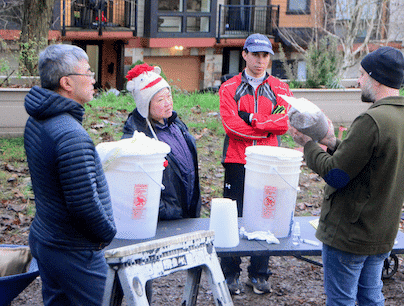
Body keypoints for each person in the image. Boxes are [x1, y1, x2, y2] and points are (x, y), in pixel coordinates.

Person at [290, 46, 404, 306]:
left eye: (362, 74)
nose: (358, 81)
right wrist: (331, 141)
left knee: (342, 301)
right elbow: (369, 163)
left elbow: (336, 174)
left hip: (350, 235)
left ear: (377, 78)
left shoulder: (372, 120)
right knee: (371, 298)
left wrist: (308, 144)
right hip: (380, 233)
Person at [24, 44, 117, 306]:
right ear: (66, 83)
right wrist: (106, 234)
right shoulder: (70, 135)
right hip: (74, 250)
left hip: (46, 239)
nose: (93, 80)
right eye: (87, 73)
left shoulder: (37, 119)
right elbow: (83, 205)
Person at [218, 33, 292, 295]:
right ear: (245, 54)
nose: (261, 61)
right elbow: (231, 126)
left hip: (270, 162)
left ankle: (259, 273)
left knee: (266, 214)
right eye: (256, 55)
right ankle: (230, 273)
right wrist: (266, 129)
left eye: (265, 56)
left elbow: (283, 123)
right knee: (233, 216)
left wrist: (251, 118)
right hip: (237, 160)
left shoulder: (281, 89)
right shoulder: (228, 87)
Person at [122, 63, 201, 221]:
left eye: (169, 96)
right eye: (160, 100)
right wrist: (164, 211)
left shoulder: (176, 124)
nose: (168, 103)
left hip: (188, 209)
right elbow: (137, 185)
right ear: (146, 106)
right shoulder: (137, 138)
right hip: (165, 218)